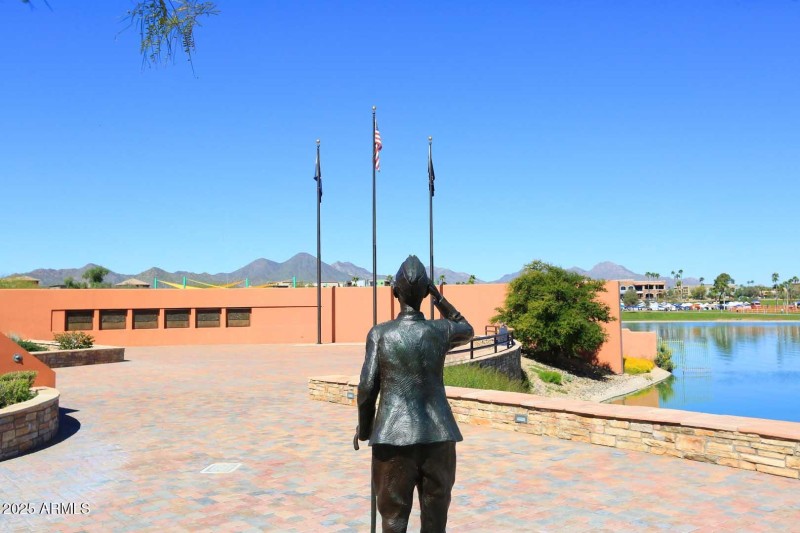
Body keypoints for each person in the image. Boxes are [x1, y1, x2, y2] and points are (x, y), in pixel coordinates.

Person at [356, 255, 473, 532]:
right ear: (426, 292)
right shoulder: (440, 330)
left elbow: (366, 388)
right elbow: (466, 328)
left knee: (393, 519)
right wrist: (438, 298)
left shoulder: (380, 334)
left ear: (394, 292)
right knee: (435, 520)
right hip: (439, 435)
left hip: (392, 438)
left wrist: (364, 429)